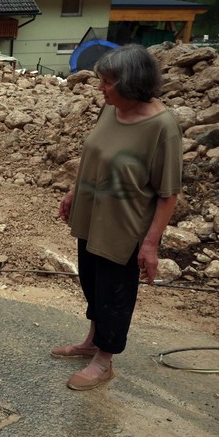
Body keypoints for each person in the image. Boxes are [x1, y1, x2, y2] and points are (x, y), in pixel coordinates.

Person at [55, 44, 182, 390]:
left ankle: (104, 360)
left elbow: (168, 193)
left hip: (123, 227)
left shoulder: (162, 127)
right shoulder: (111, 109)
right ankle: (92, 341)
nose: (101, 88)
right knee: (91, 283)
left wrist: (151, 244)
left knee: (114, 293)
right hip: (91, 215)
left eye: (108, 82)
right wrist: (72, 191)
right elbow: (94, 154)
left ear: (131, 84)